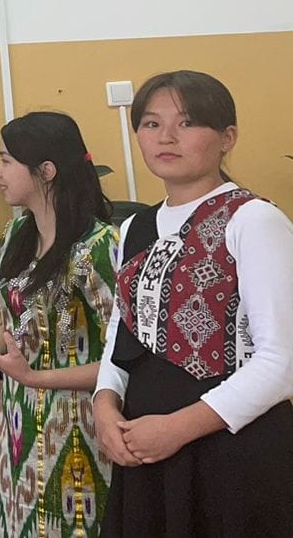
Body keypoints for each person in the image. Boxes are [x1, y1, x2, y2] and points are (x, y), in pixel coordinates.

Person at [92, 71, 293, 536]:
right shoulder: (135, 228)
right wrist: (105, 405)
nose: (166, 137)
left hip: (231, 446)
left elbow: (281, 360)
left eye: (186, 123)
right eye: (151, 123)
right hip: (145, 445)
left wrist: (177, 429)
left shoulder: (253, 219)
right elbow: (122, 334)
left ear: (227, 138)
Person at [0, 111, 118, 537]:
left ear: (46, 171)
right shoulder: (17, 234)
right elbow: (15, 324)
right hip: (18, 426)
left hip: (81, 428)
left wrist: (35, 377)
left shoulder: (99, 247)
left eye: (6, 161)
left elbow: (121, 360)